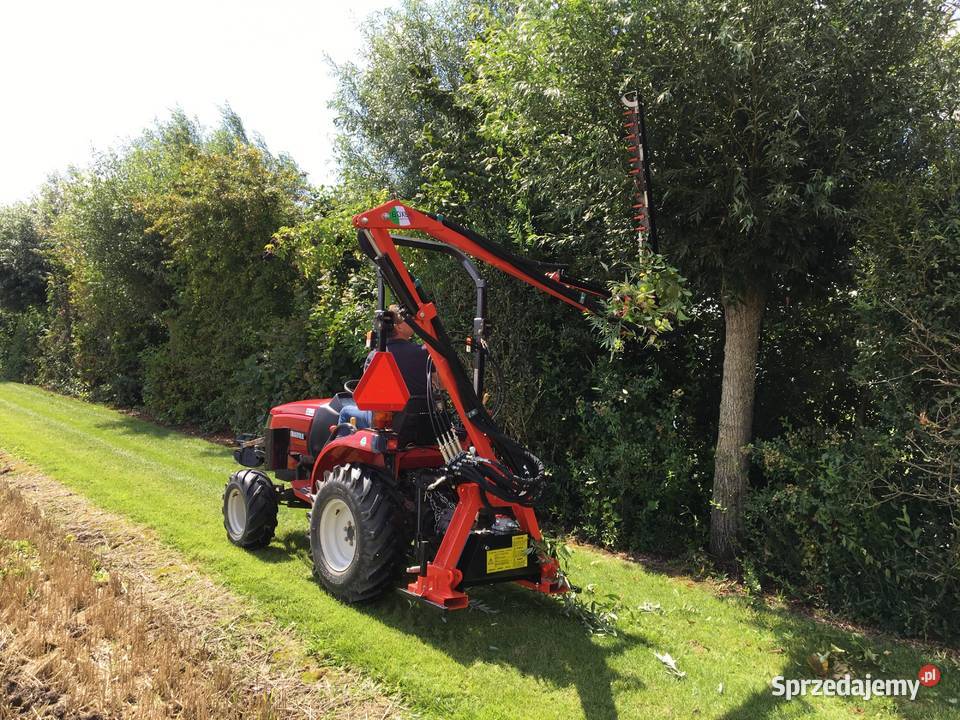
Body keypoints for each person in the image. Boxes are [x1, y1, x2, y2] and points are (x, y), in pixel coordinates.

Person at [336, 305, 429, 433]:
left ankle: (341, 452)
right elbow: (438, 385)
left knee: (345, 411)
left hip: (385, 421)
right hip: (421, 418)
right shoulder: (423, 352)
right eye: (409, 320)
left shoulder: (375, 356)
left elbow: (370, 395)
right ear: (399, 326)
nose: (413, 322)